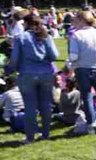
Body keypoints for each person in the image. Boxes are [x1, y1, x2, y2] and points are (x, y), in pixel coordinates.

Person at [9, 14, 59, 143]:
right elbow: (54, 55)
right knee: (46, 105)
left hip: (27, 74)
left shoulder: (20, 37)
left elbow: (14, 59)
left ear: (26, 24)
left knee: (30, 106)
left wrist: (10, 69)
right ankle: (45, 134)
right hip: (46, 73)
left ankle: (30, 137)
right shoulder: (46, 36)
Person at [69, 11, 96, 134]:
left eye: (76, 20)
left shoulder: (76, 35)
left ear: (82, 21)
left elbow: (73, 56)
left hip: (82, 68)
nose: (74, 23)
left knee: (87, 97)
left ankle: (91, 124)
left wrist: (70, 63)